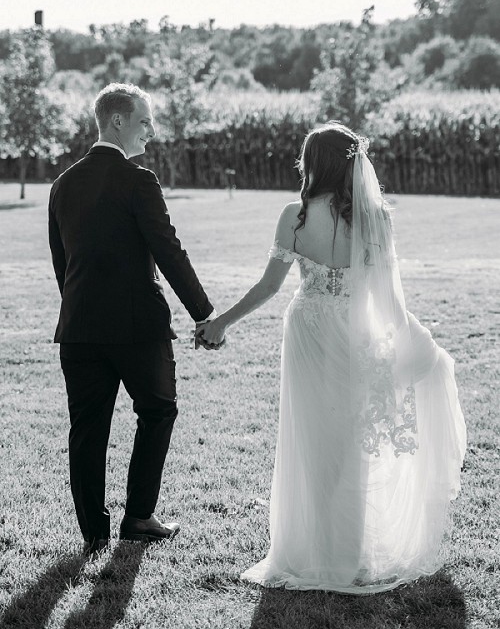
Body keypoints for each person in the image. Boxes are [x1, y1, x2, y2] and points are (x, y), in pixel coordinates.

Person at [196, 123, 467, 593]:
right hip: (354, 334)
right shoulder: (377, 217)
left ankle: (312, 552)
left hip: (308, 330)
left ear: (313, 163)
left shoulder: (294, 215)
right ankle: (347, 554)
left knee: (312, 441)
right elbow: (388, 298)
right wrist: (413, 340)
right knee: (349, 443)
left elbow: (268, 287)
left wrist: (221, 321)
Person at [49, 83, 216, 555]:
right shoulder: (139, 180)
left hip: (79, 329)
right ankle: (139, 518)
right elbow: (169, 251)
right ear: (118, 121)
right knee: (158, 410)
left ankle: (93, 533)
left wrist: (81, 310)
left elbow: (63, 266)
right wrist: (204, 314)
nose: (151, 130)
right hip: (137, 328)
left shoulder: (62, 184)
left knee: (87, 426)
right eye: (144, 120)